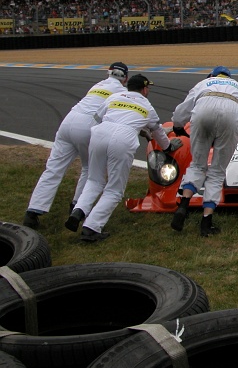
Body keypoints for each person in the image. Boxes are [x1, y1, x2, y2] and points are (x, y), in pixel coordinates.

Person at [65, 74, 182, 242]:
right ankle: (91, 227)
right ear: (144, 89)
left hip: (99, 134)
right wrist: (168, 147)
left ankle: (78, 211)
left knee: (94, 180)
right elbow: (158, 133)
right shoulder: (147, 106)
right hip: (123, 139)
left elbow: (97, 118)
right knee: (114, 189)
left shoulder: (114, 97)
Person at [23, 62, 130, 229]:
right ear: (125, 79)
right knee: (89, 170)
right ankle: (76, 207)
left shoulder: (98, 85)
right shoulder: (123, 92)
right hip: (88, 125)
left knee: (53, 168)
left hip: (68, 121)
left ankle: (33, 212)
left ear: (108, 73)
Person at [170, 66, 238, 237]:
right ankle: (206, 222)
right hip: (231, 114)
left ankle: (183, 205)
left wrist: (177, 124)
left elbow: (184, 107)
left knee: (197, 165)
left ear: (212, 75)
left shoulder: (204, 83)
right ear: (228, 76)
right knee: (217, 171)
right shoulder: (236, 88)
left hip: (203, 113)